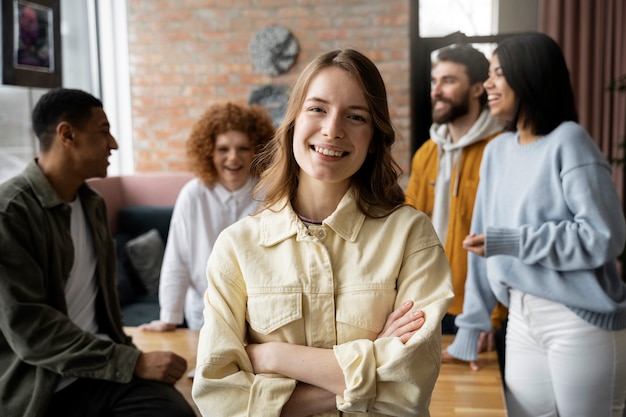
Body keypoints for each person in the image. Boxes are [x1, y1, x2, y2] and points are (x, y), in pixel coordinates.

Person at [192, 49, 454, 417]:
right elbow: (219, 401)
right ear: (293, 122)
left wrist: (274, 356)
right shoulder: (237, 246)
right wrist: (372, 364)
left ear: (374, 137)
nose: (333, 129)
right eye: (317, 109)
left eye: (356, 116)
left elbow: (410, 384)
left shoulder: (411, 235)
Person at [444, 33, 626, 417]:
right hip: (522, 318)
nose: (488, 85)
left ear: (529, 76)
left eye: (498, 73)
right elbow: (479, 245)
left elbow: (603, 236)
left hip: (579, 318)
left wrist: (510, 241)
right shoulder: (496, 151)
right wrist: (472, 326)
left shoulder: (569, 142)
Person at [0, 88, 196, 417]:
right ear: (67, 135)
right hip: (43, 387)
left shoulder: (91, 204)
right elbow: (31, 330)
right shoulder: (11, 213)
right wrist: (134, 362)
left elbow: (103, 310)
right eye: (104, 131)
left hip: (103, 371)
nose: (114, 144)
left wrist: (128, 359)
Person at [405, 44, 507, 348]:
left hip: (487, 313)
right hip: (431, 306)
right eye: (435, 81)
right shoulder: (426, 153)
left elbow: (506, 236)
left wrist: (493, 313)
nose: (437, 90)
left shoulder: (502, 149)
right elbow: (410, 230)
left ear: (478, 88)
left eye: (449, 81)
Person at [139, 102, 275, 332]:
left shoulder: (271, 194)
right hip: (203, 316)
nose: (233, 158)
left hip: (260, 317)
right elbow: (177, 259)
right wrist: (169, 317)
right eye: (223, 149)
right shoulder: (192, 195)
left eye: (243, 148)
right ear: (208, 152)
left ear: (257, 150)